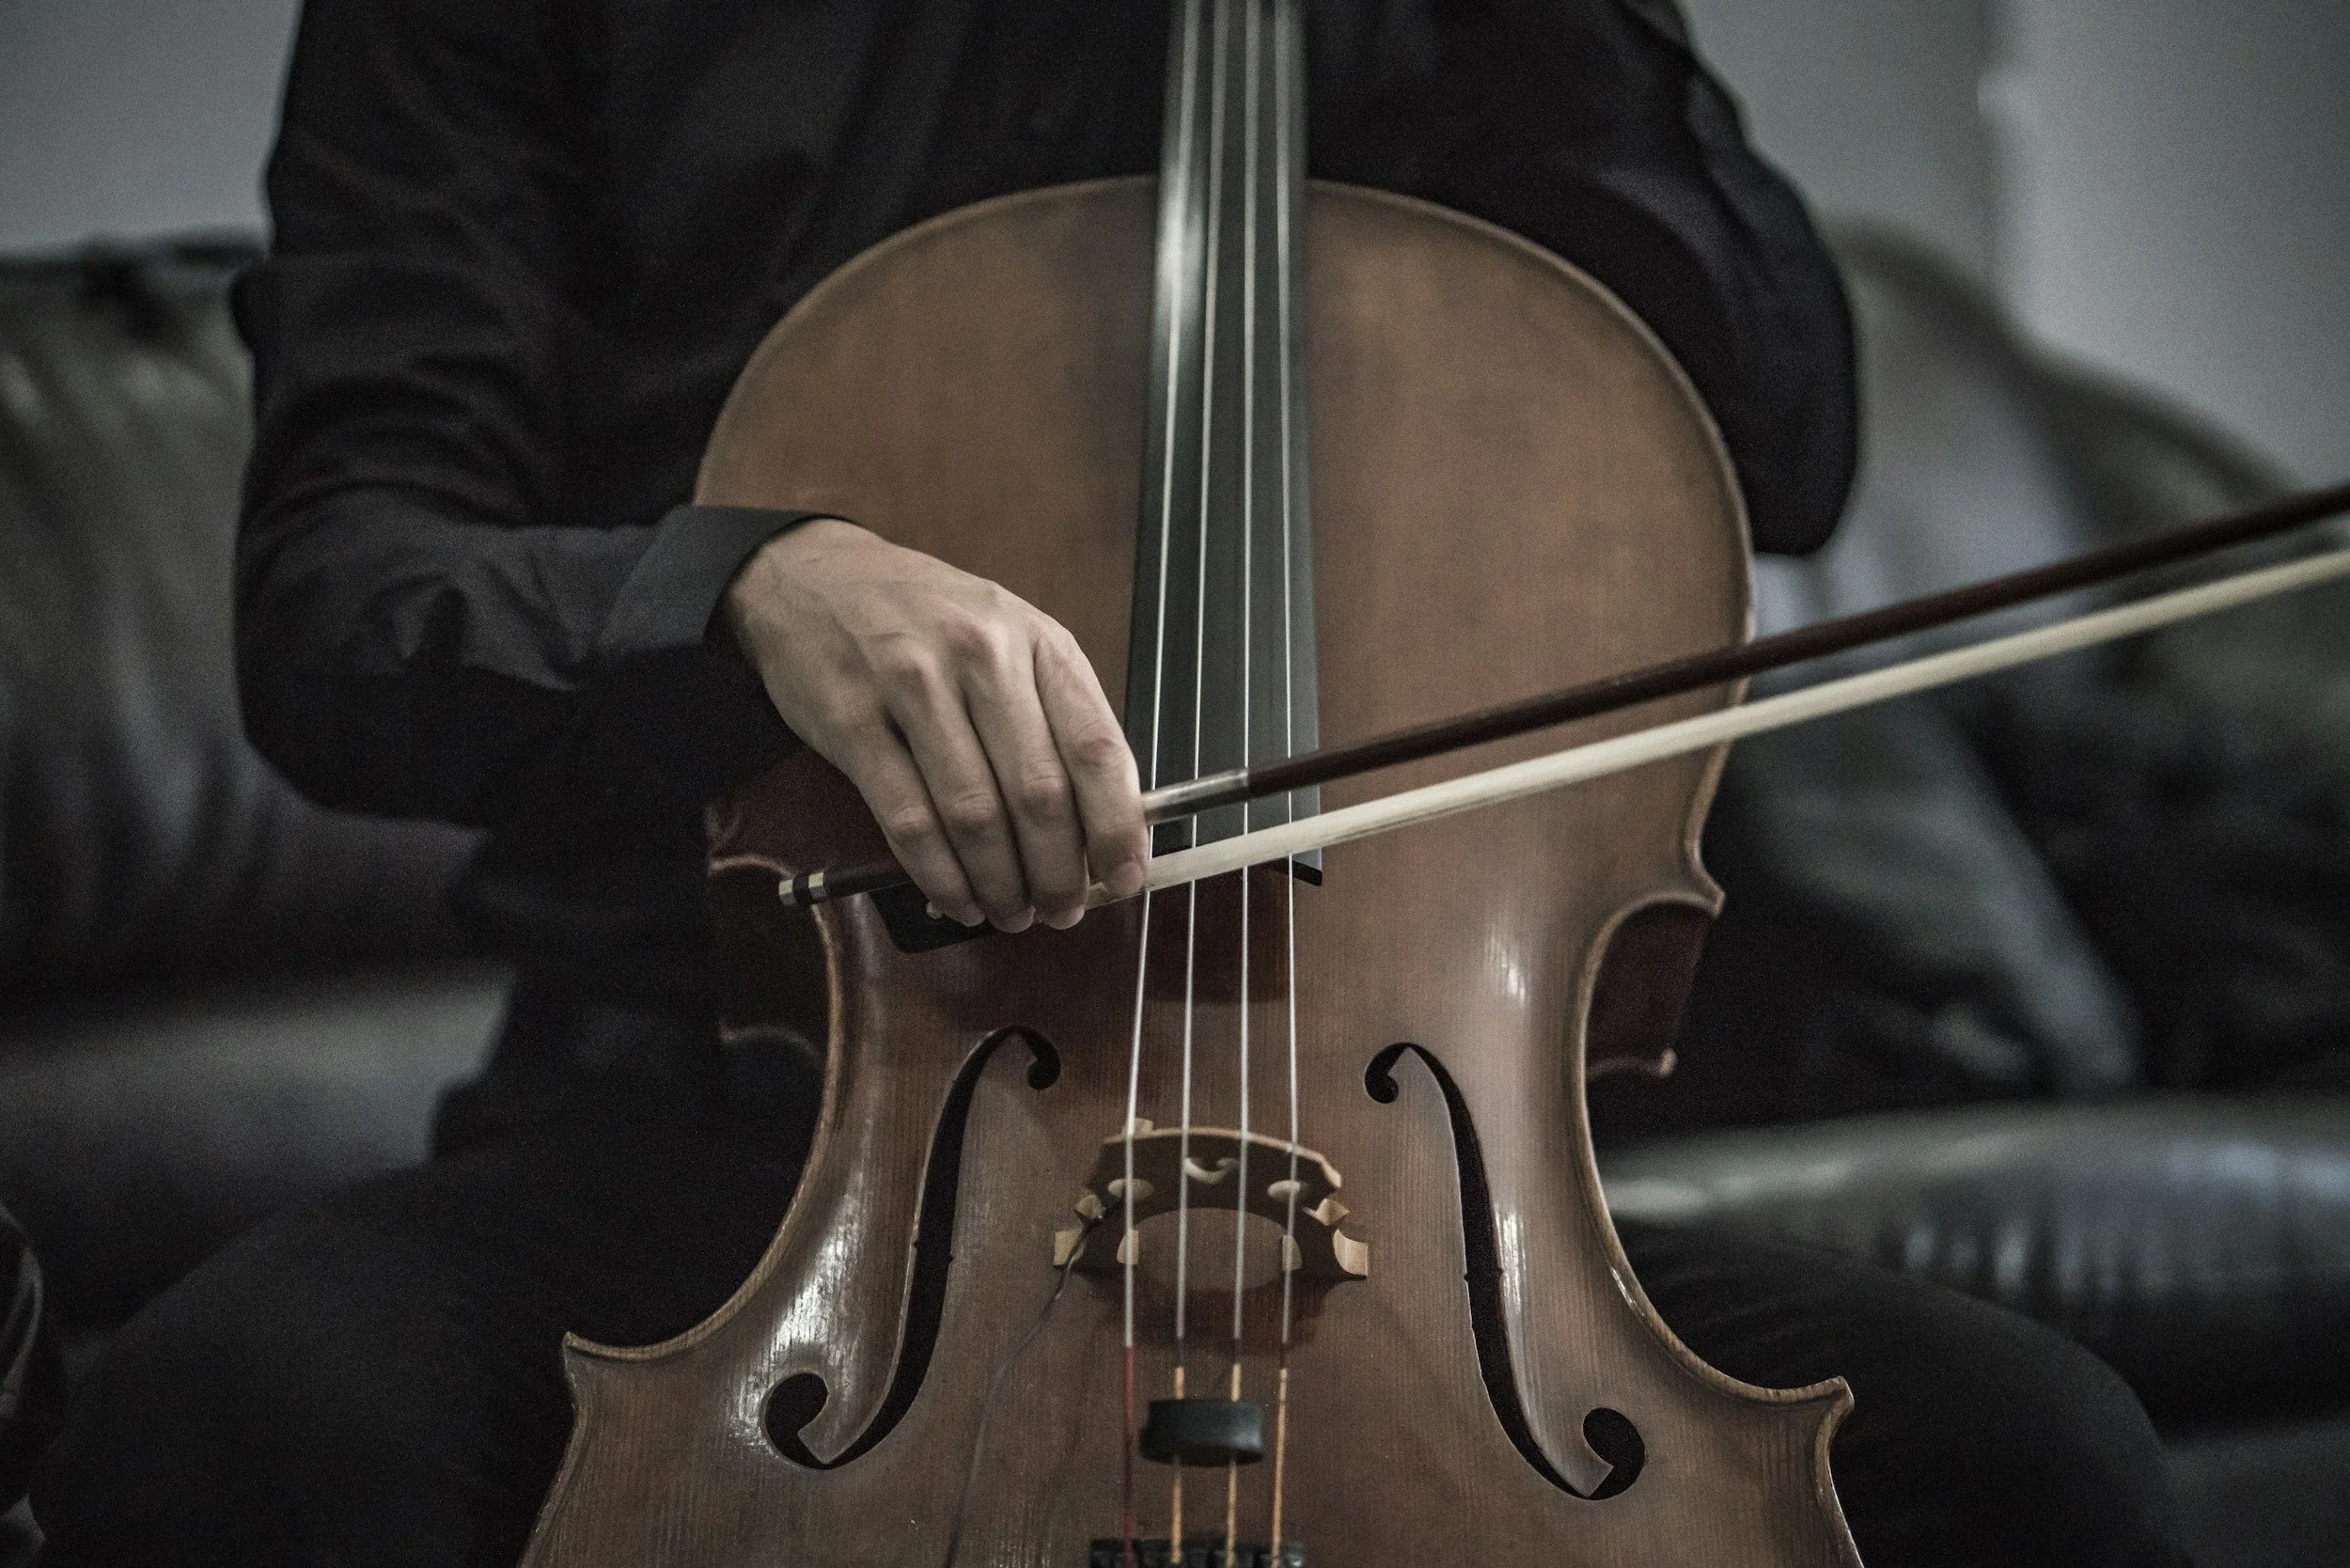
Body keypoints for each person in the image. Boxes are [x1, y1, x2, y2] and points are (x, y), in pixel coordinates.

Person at [30, 3, 2185, 1565]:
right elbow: (339, 599)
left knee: (2033, 1465)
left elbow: (1778, 442)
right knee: (250, 1418)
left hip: (1408, 1181)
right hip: (729, 1138)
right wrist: (743, 590)